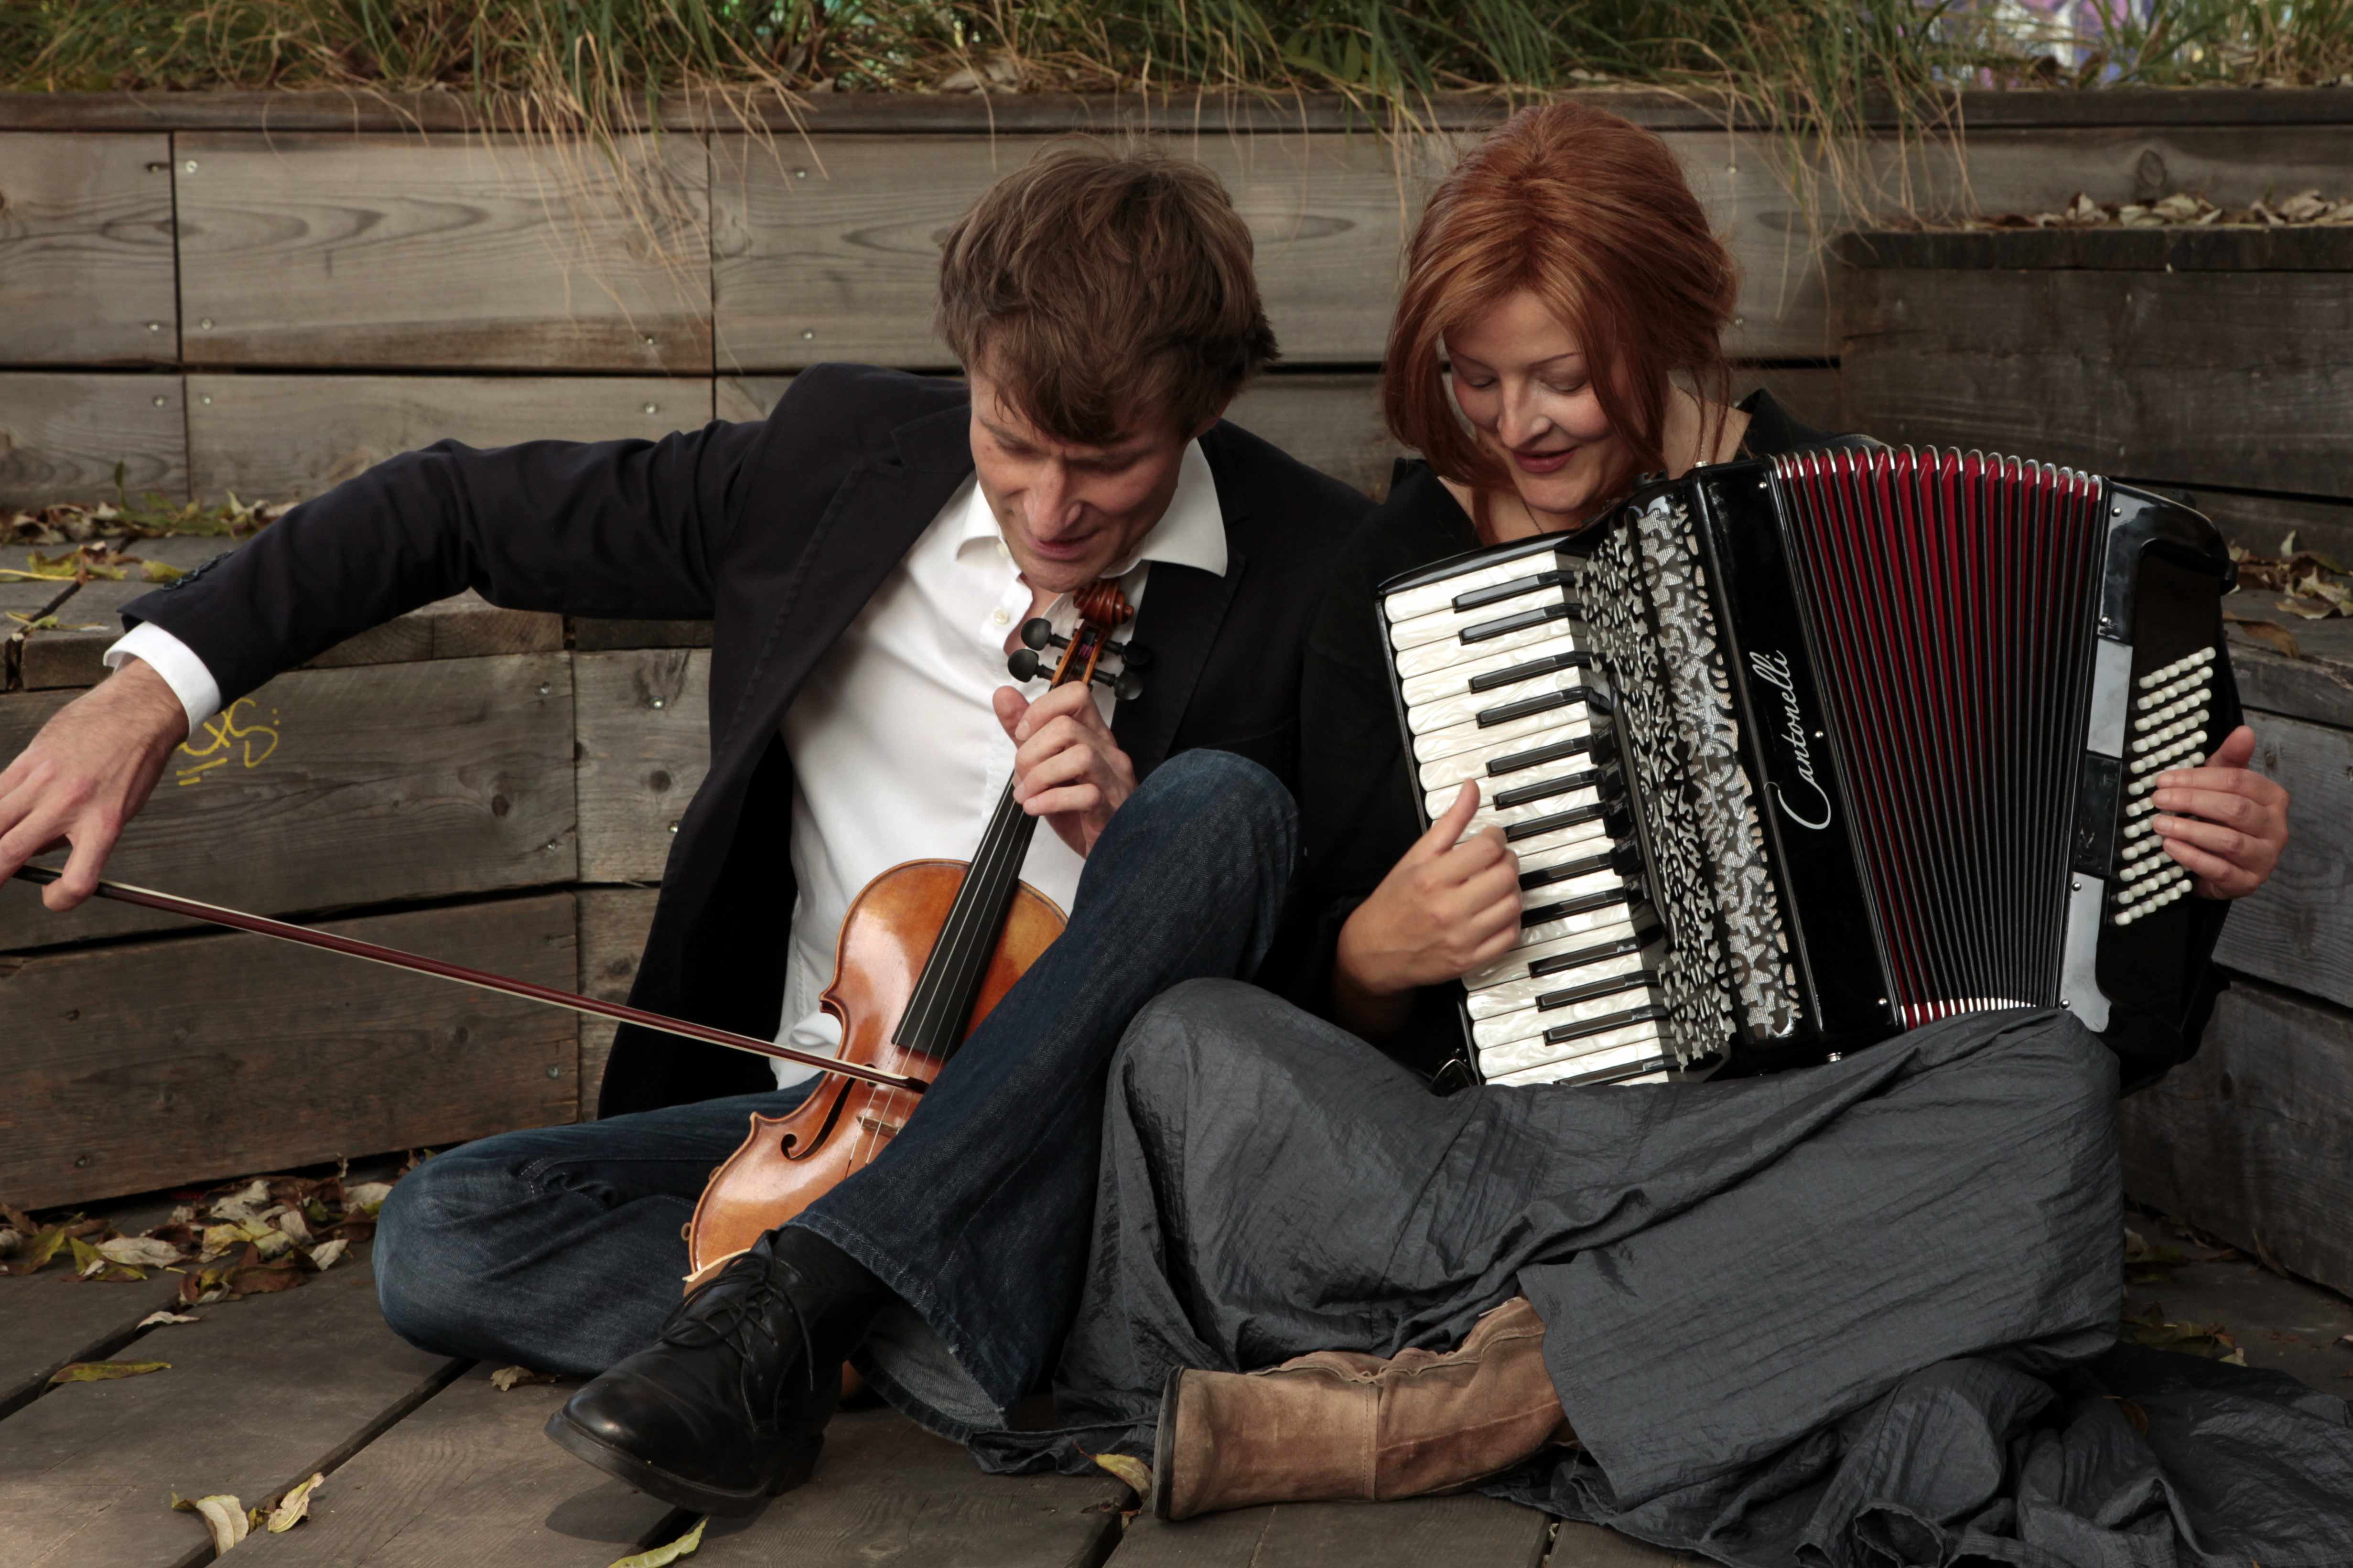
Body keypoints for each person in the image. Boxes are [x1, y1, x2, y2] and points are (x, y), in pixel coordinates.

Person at [962, 104, 2337, 1564]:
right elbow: (1301, 1002)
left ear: (1678, 326)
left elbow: (2101, 1011)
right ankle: (1710, 1339)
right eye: (1472, 376)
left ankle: (1505, 1392)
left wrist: (2181, 872)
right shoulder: (1396, 572)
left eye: (1560, 377)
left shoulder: (1847, 520)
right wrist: (1376, 949)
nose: (1511, 423)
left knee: (2048, 1095)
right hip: (1483, 1170)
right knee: (1182, 1045)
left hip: (1775, 1146)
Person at [0, 145, 1371, 1515]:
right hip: (815, 1117)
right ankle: (890, 1329)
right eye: (1012, 441)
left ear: (1204, 406)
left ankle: (818, 1320)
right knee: (442, 1234)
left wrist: (1132, 834)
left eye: (1108, 464)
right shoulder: (832, 466)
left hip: (1087, 1165)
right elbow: (452, 506)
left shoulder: (1316, 568)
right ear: (967, 364)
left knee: (1218, 807)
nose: (1052, 508)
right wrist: (151, 695)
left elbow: (1343, 989)